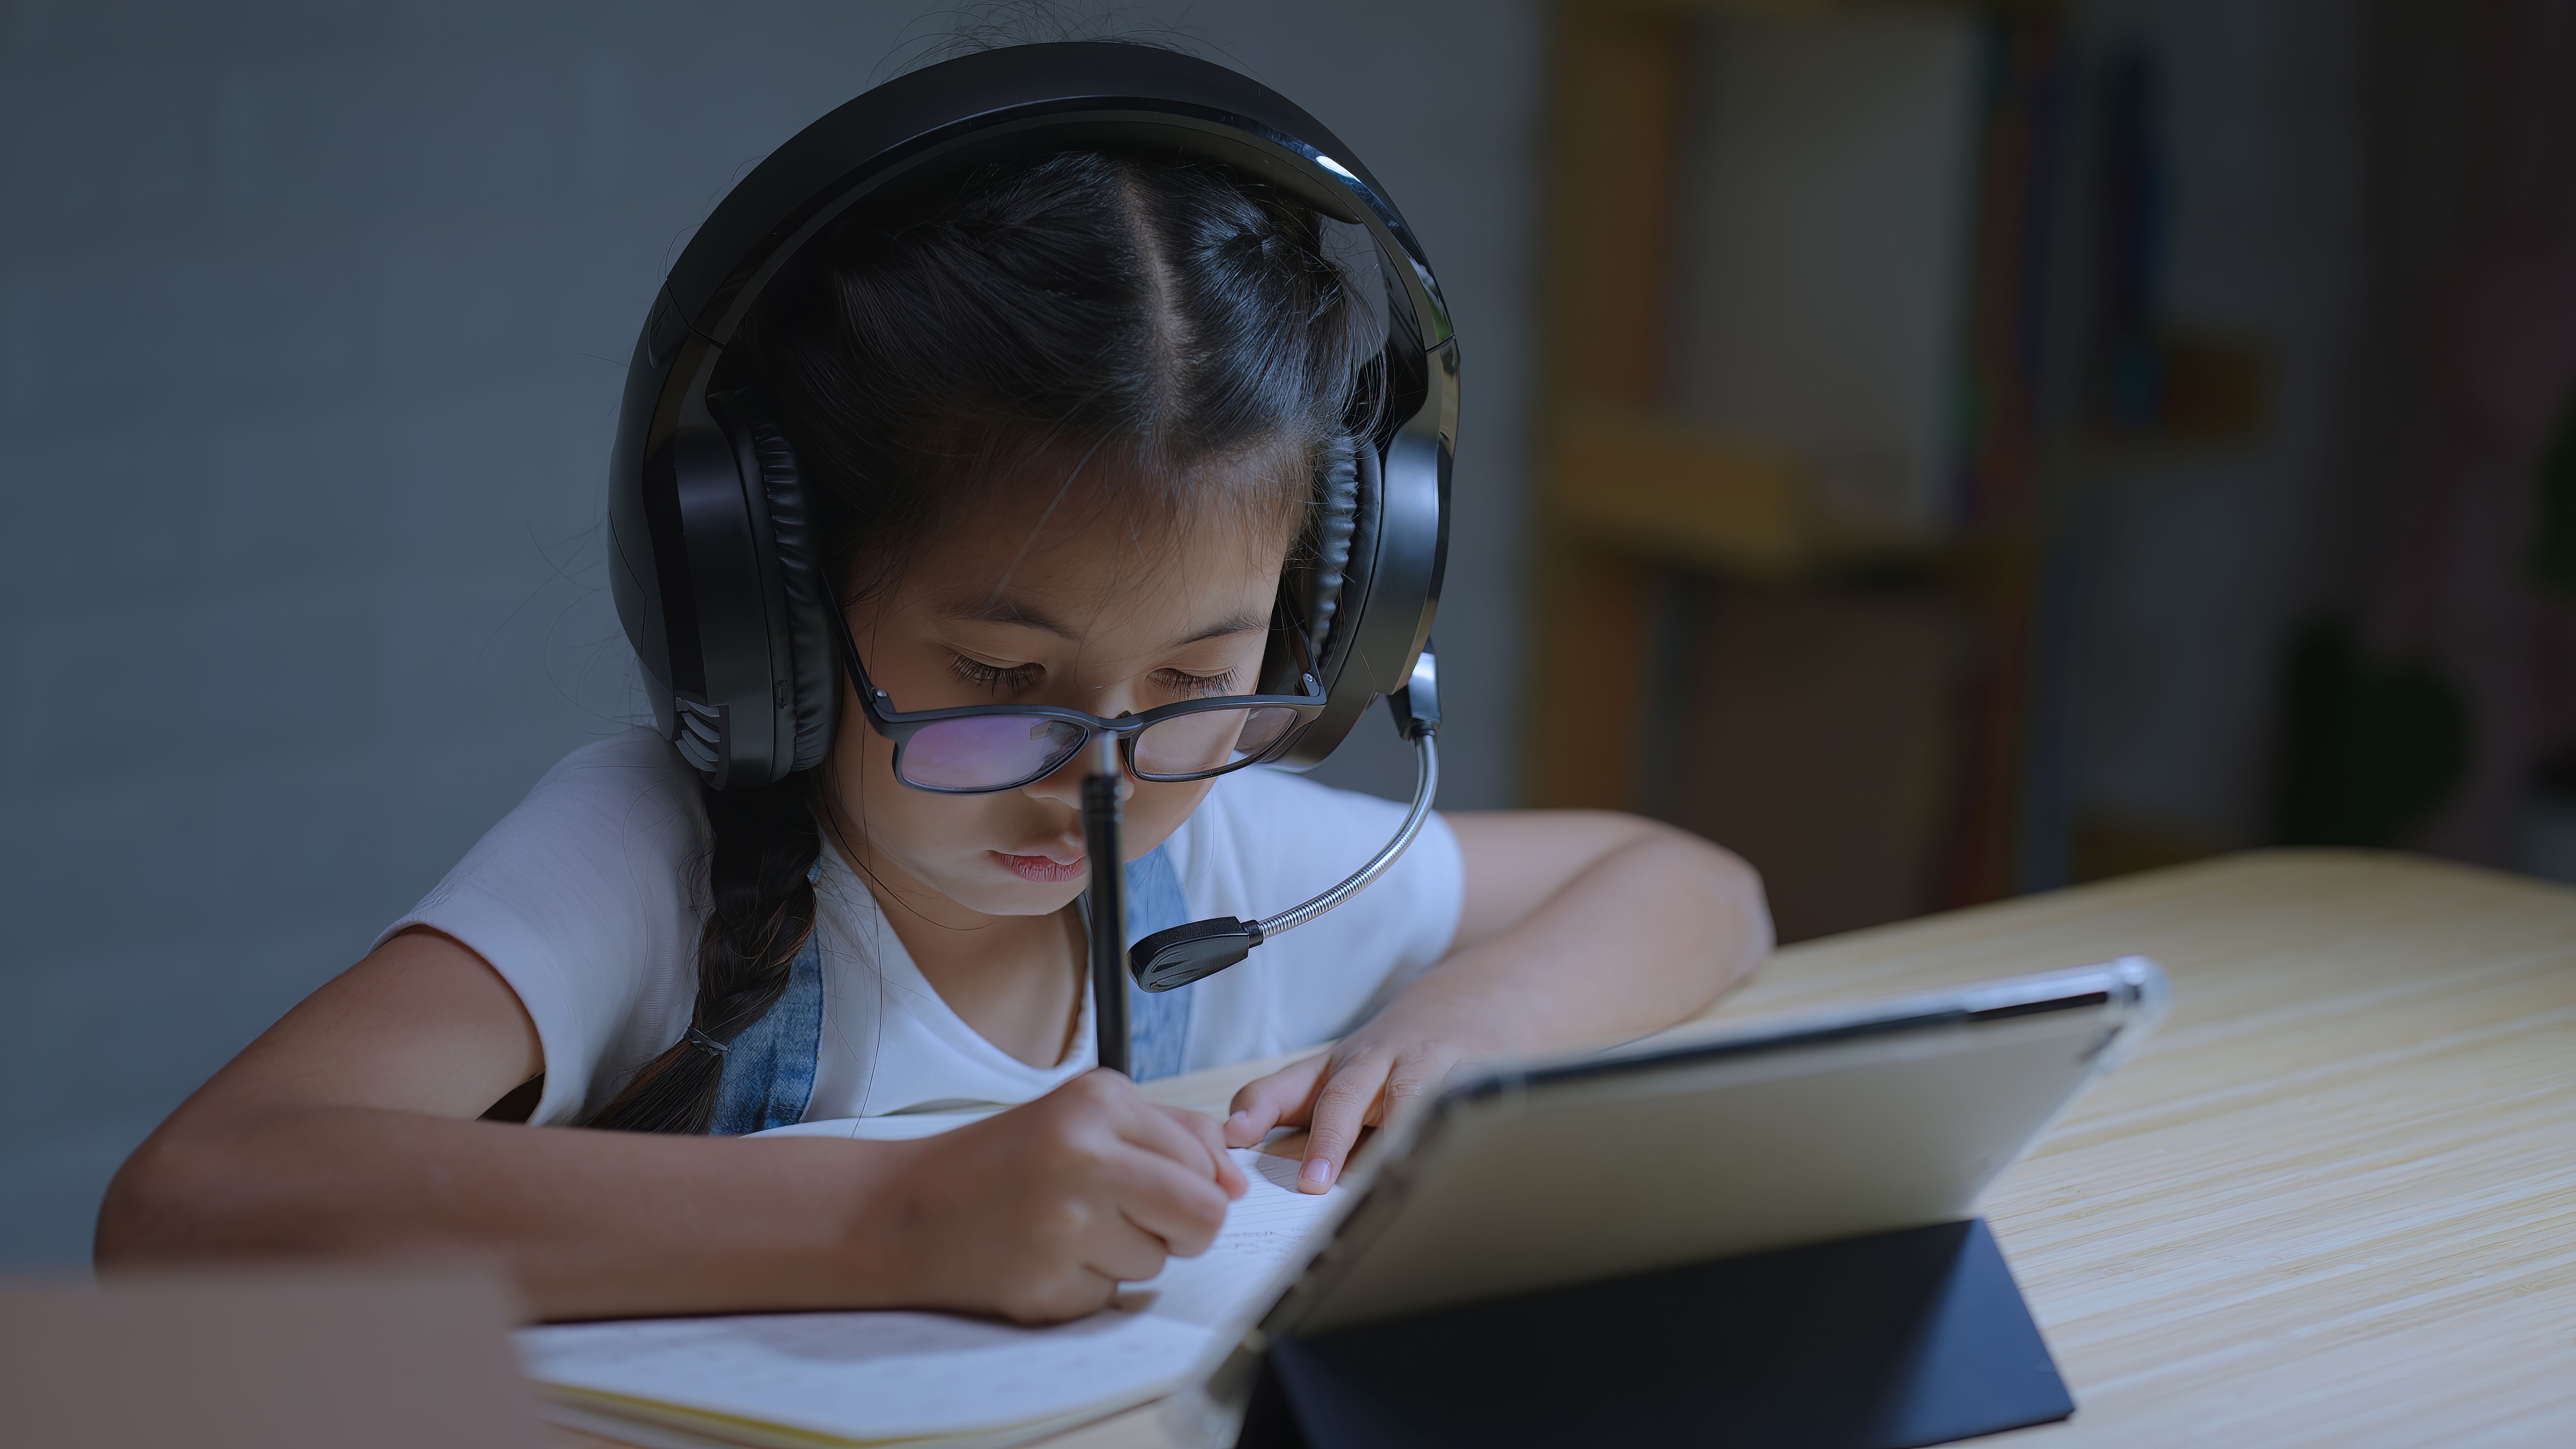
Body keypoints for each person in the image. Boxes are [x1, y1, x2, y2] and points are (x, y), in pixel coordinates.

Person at [96, 141, 1769, 1326]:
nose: (1098, 775)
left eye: (1197, 682)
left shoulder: (1230, 840)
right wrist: (890, 1214)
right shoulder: (652, 865)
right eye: (996, 676)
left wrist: (1470, 1032)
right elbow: (184, 1213)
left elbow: (1691, 886)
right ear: (779, 610)